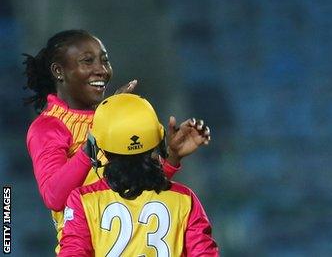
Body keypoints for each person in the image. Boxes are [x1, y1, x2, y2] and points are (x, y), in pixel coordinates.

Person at [23, 29, 210, 252]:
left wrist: (171, 156)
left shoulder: (111, 116)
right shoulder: (48, 127)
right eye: (87, 61)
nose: (101, 70)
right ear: (59, 71)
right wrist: (99, 135)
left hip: (139, 242)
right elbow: (54, 196)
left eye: (105, 60)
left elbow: (135, 186)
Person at [59, 94, 218, 256]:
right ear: (159, 142)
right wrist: (173, 157)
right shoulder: (185, 199)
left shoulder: (83, 200)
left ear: (98, 147)